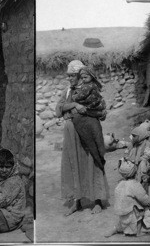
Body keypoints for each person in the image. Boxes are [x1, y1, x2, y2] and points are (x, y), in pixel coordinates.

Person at [55, 60, 110, 216]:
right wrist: (73, 105)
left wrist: (100, 112)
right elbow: (58, 111)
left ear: (80, 75)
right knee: (74, 164)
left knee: (93, 162)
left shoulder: (90, 89)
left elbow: (101, 108)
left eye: (73, 75)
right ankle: (77, 201)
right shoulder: (67, 91)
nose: (70, 78)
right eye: (69, 75)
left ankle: (98, 200)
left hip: (87, 131)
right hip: (72, 134)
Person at [104, 158, 149, 238]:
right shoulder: (134, 184)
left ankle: (115, 230)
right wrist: (148, 202)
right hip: (131, 212)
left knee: (122, 224)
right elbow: (143, 197)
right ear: (135, 173)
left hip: (121, 212)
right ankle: (138, 232)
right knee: (141, 213)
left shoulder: (120, 184)